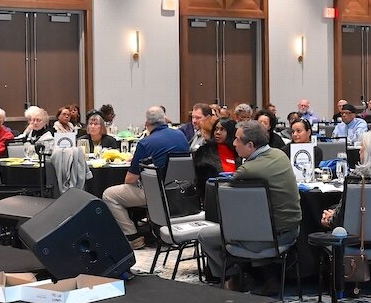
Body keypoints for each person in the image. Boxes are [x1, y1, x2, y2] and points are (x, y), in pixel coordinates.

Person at [197, 120, 302, 291]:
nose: (234, 143)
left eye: (237, 139)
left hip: (266, 237)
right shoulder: (280, 155)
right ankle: (258, 275)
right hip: (290, 230)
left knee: (206, 235)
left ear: (251, 145)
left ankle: (232, 277)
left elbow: (225, 196)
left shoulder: (248, 170)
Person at [102, 105, 192, 248]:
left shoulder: (145, 143)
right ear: (165, 120)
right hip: (181, 191)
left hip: (157, 193)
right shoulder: (181, 135)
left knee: (109, 195)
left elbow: (130, 179)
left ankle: (133, 237)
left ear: (147, 124)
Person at [193, 115, 240, 189]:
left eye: (222, 129)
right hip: (212, 191)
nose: (218, 132)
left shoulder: (239, 151)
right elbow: (200, 181)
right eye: (216, 129)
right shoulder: (204, 152)